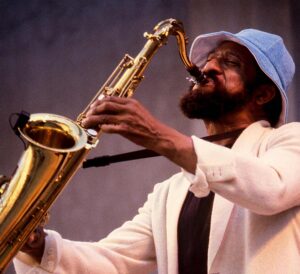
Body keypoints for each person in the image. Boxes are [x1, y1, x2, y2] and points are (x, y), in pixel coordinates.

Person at [13, 28, 300, 274]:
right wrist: (37, 246)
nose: (208, 67)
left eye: (230, 63)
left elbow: (270, 189)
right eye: (210, 59)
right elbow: (113, 261)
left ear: (263, 94)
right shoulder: (170, 192)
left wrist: (157, 134)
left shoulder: (290, 140)